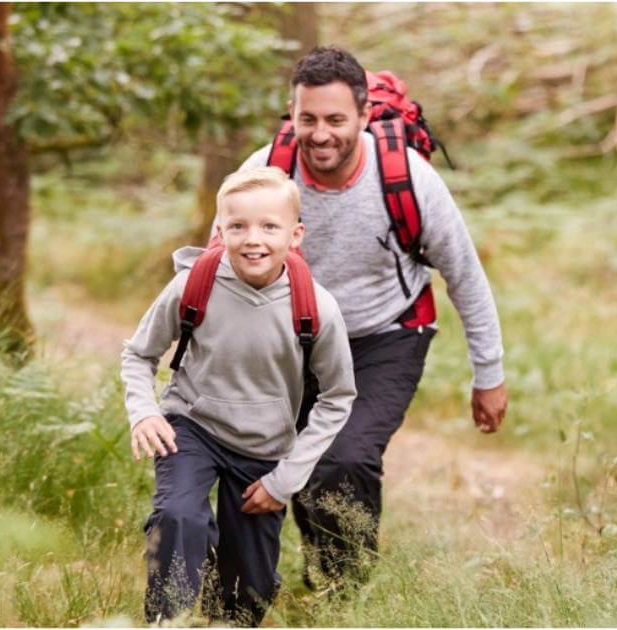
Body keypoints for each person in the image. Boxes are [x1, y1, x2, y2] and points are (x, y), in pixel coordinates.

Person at [235, 46, 509, 586]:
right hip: (293, 340)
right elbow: (216, 265)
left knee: (344, 458)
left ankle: (344, 597)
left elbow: (465, 275)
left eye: (336, 120)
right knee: (287, 457)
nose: (319, 134)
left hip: (386, 335)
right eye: (306, 119)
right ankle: (318, 577)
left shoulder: (406, 179)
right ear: (291, 115)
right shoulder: (265, 173)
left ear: (363, 118)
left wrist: (489, 374)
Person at [121, 167, 356, 625]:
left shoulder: (318, 308)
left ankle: (224, 603)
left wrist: (285, 480)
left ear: (295, 234)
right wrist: (144, 412)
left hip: (265, 446)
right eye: (238, 226)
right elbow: (138, 354)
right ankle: (169, 619)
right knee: (178, 517)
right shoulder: (193, 285)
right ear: (219, 230)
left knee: (248, 590)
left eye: (270, 226)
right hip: (192, 425)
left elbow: (337, 397)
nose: (254, 239)